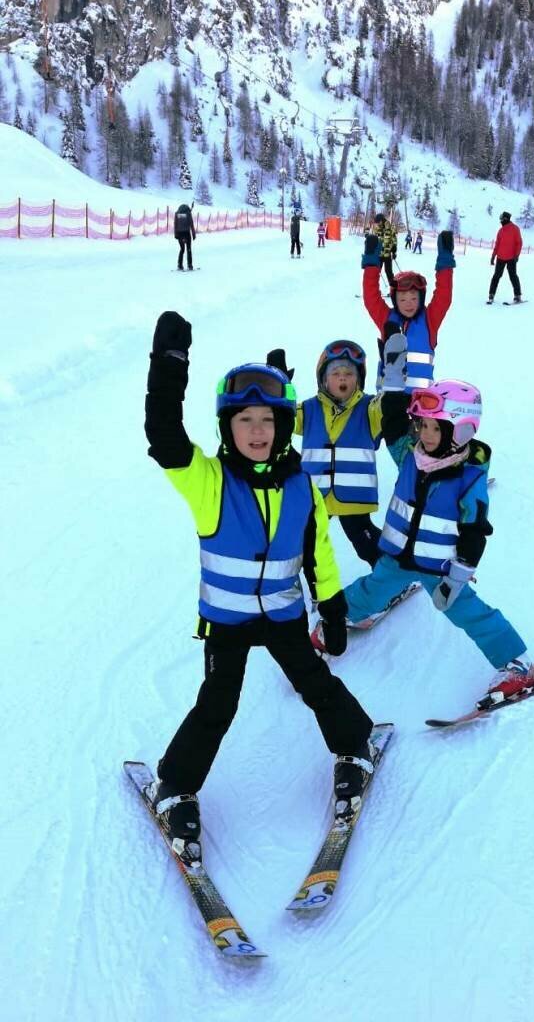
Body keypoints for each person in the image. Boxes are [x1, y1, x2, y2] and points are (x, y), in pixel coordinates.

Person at [143, 312, 376, 852]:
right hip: (227, 622)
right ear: (226, 427)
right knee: (217, 705)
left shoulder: (301, 486)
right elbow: (163, 435)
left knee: (316, 685)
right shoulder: (208, 481)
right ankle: (175, 785)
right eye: (244, 420)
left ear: (281, 425)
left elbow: (318, 552)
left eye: (267, 420)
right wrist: (169, 366)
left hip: (283, 615)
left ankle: (355, 745)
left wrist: (332, 607)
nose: (256, 431)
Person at [313, 350, 534, 707]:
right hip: (396, 558)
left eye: (435, 427)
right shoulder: (410, 455)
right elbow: (393, 423)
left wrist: (458, 575)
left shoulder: (468, 477)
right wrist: (393, 386)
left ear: (460, 430)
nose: (425, 434)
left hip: (438, 568)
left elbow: (474, 530)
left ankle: (516, 665)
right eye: (422, 425)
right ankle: (335, 621)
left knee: (469, 612)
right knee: (370, 592)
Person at [287, 340, 384, 568]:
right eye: (335, 373)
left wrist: (391, 378)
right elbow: (282, 421)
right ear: (324, 379)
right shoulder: (308, 409)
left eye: (349, 374)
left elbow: (388, 407)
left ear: (358, 380)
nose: (342, 378)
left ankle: (391, 576)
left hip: (354, 498)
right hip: (315, 496)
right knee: (300, 542)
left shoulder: (370, 409)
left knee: (365, 543)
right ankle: (289, 580)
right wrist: (280, 390)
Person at [361, 230, 455, 392]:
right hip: (388, 401)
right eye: (402, 299)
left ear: (421, 298)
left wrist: (445, 262)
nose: (408, 304)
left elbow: (443, 296)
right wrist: (371, 265)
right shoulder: (387, 318)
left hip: (420, 403)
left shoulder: (429, 320)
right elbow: (371, 297)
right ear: (395, 301)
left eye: (414, 298)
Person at [488, 211, 522, 304]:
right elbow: (497, 244)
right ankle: (491, 294)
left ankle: (517, 295)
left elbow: (519, 243)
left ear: (506, 219)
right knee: (496, 276)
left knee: (513, 276)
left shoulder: (515, 229)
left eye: (501, 219)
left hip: (511, 258)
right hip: (500, 258)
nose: (500, 221)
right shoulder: (501, 231)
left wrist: (516, 255)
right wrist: (493, 256)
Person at [372, 212, 398, 286]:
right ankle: (373, 286)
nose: (377, 224)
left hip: (387, 253)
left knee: (388, 271)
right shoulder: (377, 228)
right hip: (379, 254)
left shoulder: (390, 227)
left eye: (378, 222)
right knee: (376, 271)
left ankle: (393, 286)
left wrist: (394, 251)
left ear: (381, 220)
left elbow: (394, 239)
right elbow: (374, 239)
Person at [173, 203, 196, 271]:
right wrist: (193, 234)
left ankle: (179, 265)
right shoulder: (188, 214)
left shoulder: (177, 214)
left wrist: (175, 234)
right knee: (188, 249)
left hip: (179, 233)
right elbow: (191, 224)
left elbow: (175, 224)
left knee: (182, 249)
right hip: (186, 233)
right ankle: (190, 265)